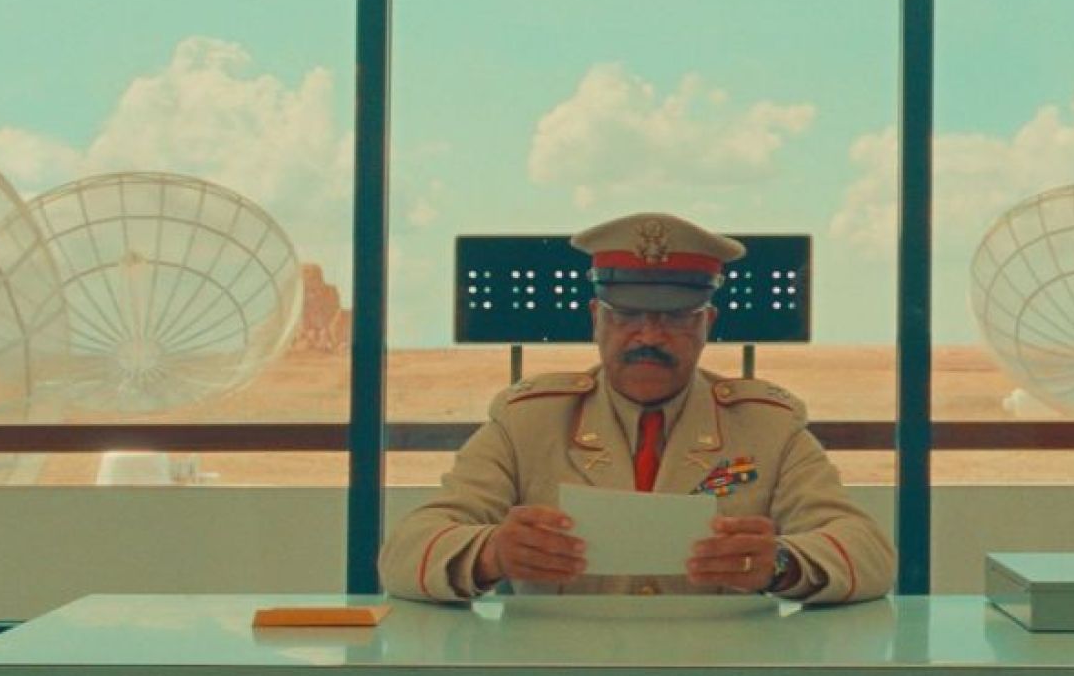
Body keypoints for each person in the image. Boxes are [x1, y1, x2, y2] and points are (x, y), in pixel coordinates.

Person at [380, 212, 893, 603]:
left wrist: (781, 563)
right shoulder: (528, 422)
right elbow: (404, 552)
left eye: (675, 318)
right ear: (595, 320)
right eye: (625, 316)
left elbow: (869, 553)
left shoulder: (766, 427)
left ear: (707, 324)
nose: (648, 336)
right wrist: (492, 552)